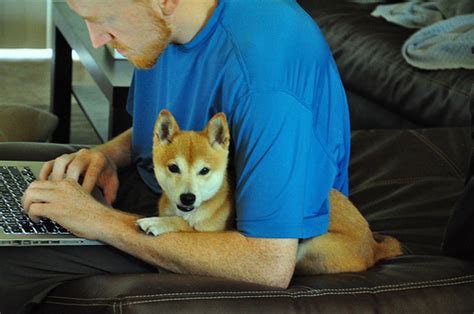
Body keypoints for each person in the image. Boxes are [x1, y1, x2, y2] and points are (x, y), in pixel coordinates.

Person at [0, 0, 351, 312]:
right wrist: (106, 154)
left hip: (222, 236)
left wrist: (97, 220)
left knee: (7, 259)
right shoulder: (163, 28)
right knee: (9, 164)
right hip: (162, 194)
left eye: (103, 19)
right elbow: (180, 133)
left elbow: (268, 266)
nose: (95, 39)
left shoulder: (266, 83)